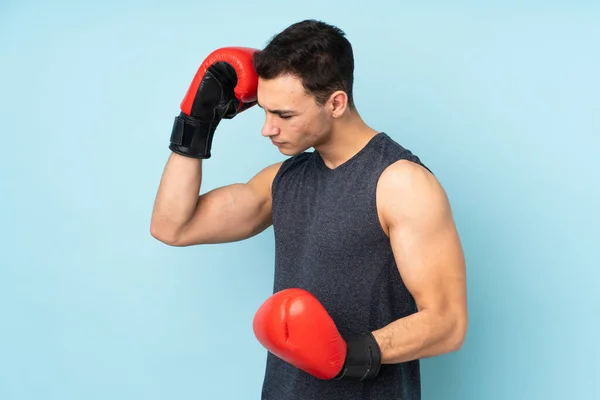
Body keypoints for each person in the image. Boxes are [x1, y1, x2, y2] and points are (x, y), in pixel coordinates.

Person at [150, 19, 468, 400]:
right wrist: (195, 122)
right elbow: (172, 226)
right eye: (264, 112)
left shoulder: (400, 183)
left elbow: (448, 322)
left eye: (283, 115)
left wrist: (345, 355)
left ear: (336, 103)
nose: (267, 129)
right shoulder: (283, 180)